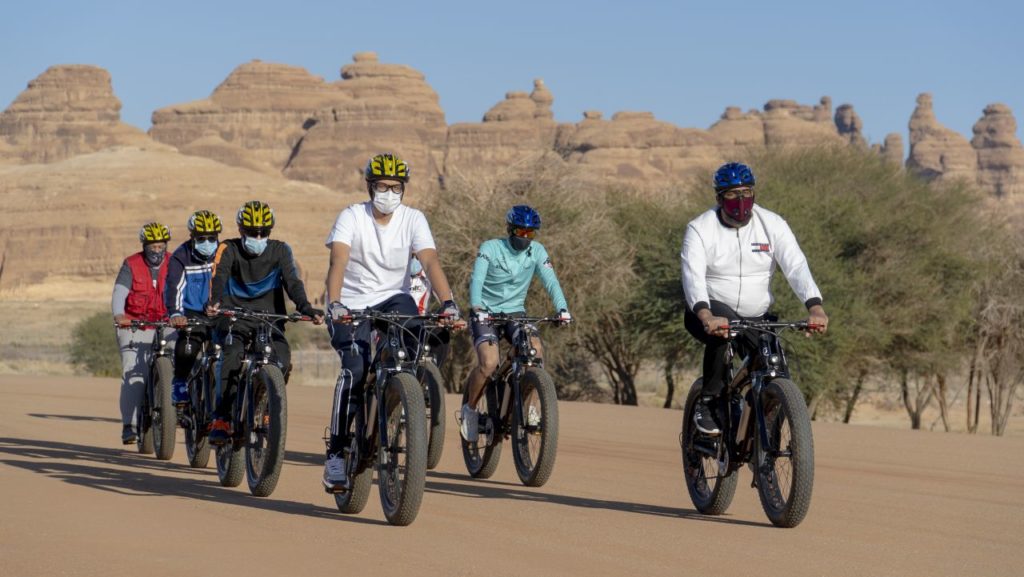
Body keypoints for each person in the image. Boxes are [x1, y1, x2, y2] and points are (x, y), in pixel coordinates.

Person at [322, 152, 460, 492]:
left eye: (396, 187)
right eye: (382, 186)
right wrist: (335, 303)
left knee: (415, 346)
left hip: (393, 299)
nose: (389, 193)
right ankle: (337, 452)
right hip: (352, 303)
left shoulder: (413, 219)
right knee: (354, 369)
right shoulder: (352, 216)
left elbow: (430, 261)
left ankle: (402, 403)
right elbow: (338, 260)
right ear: (370, 187)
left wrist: (450, 303)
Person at [681, 162, 829, 435]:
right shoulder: (700, 229)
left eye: (746, 193)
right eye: (732, 195)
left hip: (755, 316)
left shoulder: (772, 224)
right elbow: (693, 277)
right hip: (708, 309)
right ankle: (709, 402)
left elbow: (796, 266)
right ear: (718, 198)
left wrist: (815, 307)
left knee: (773, 364)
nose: (740, 201)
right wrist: (706, 315)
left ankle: (766, 430)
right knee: (721, 334)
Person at [205, 200, 324, 444]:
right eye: (251, 233)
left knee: (283, 359)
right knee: (232, 355)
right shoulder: (228, 248)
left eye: (263, 233)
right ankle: (222, 417)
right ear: (241, 230)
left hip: (269, 320)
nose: (257, 237)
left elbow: (293, 282)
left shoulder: (280, 250)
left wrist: (306, 308)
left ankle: (266, 404)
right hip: (233, 318)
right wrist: (215, 302)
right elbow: (218, 277)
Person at [459, 205, 572, 443]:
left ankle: (530, 406)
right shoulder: (490, 248)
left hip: (515, 313)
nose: (526, 238)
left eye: (531, 234)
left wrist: (562, 308)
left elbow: (551, 281)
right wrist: (477, 307)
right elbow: (477, 279)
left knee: (534, 351)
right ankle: (469, 410)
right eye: (521, 232)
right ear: (510, 230)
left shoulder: (537, 252)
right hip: (486, 313)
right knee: (489, 363)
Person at [112, 222, 172, 444]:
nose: (157, 250)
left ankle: (178, 408)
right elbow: (119, 292)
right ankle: (130, 425)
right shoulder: (132, 264)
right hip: (135, 323)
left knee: (184, 356)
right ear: (144, 246)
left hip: (167, 321)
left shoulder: (174, 262)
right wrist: (119, 315)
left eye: (161, 246)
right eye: (152, 246)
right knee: (133, 370)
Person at [165, 210, 222, 405]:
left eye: (212, 238)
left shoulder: (224, 253)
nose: (207, 242)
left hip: (219, 310)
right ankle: (180, 382)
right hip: (192, 311)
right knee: (188, 346)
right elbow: (174, 287)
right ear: (192, 237)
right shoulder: (181, 256)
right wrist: (176, 313)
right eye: (202, 238)